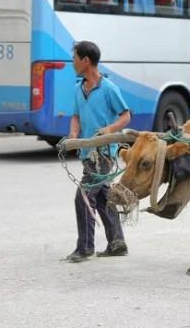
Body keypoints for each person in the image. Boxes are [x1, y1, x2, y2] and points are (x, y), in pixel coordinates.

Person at [66, 41, 131, 263]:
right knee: (103, 198)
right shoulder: (78, 89)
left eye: (75, 58)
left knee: (83, 196)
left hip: (103, 153)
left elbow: (125, 116)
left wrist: (109, 129)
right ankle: (117, 243)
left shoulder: (109, 89)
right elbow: (75, 115)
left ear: (86, 61)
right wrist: (73, 135)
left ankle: (85, 247)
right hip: (86, 152)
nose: (72, 62)